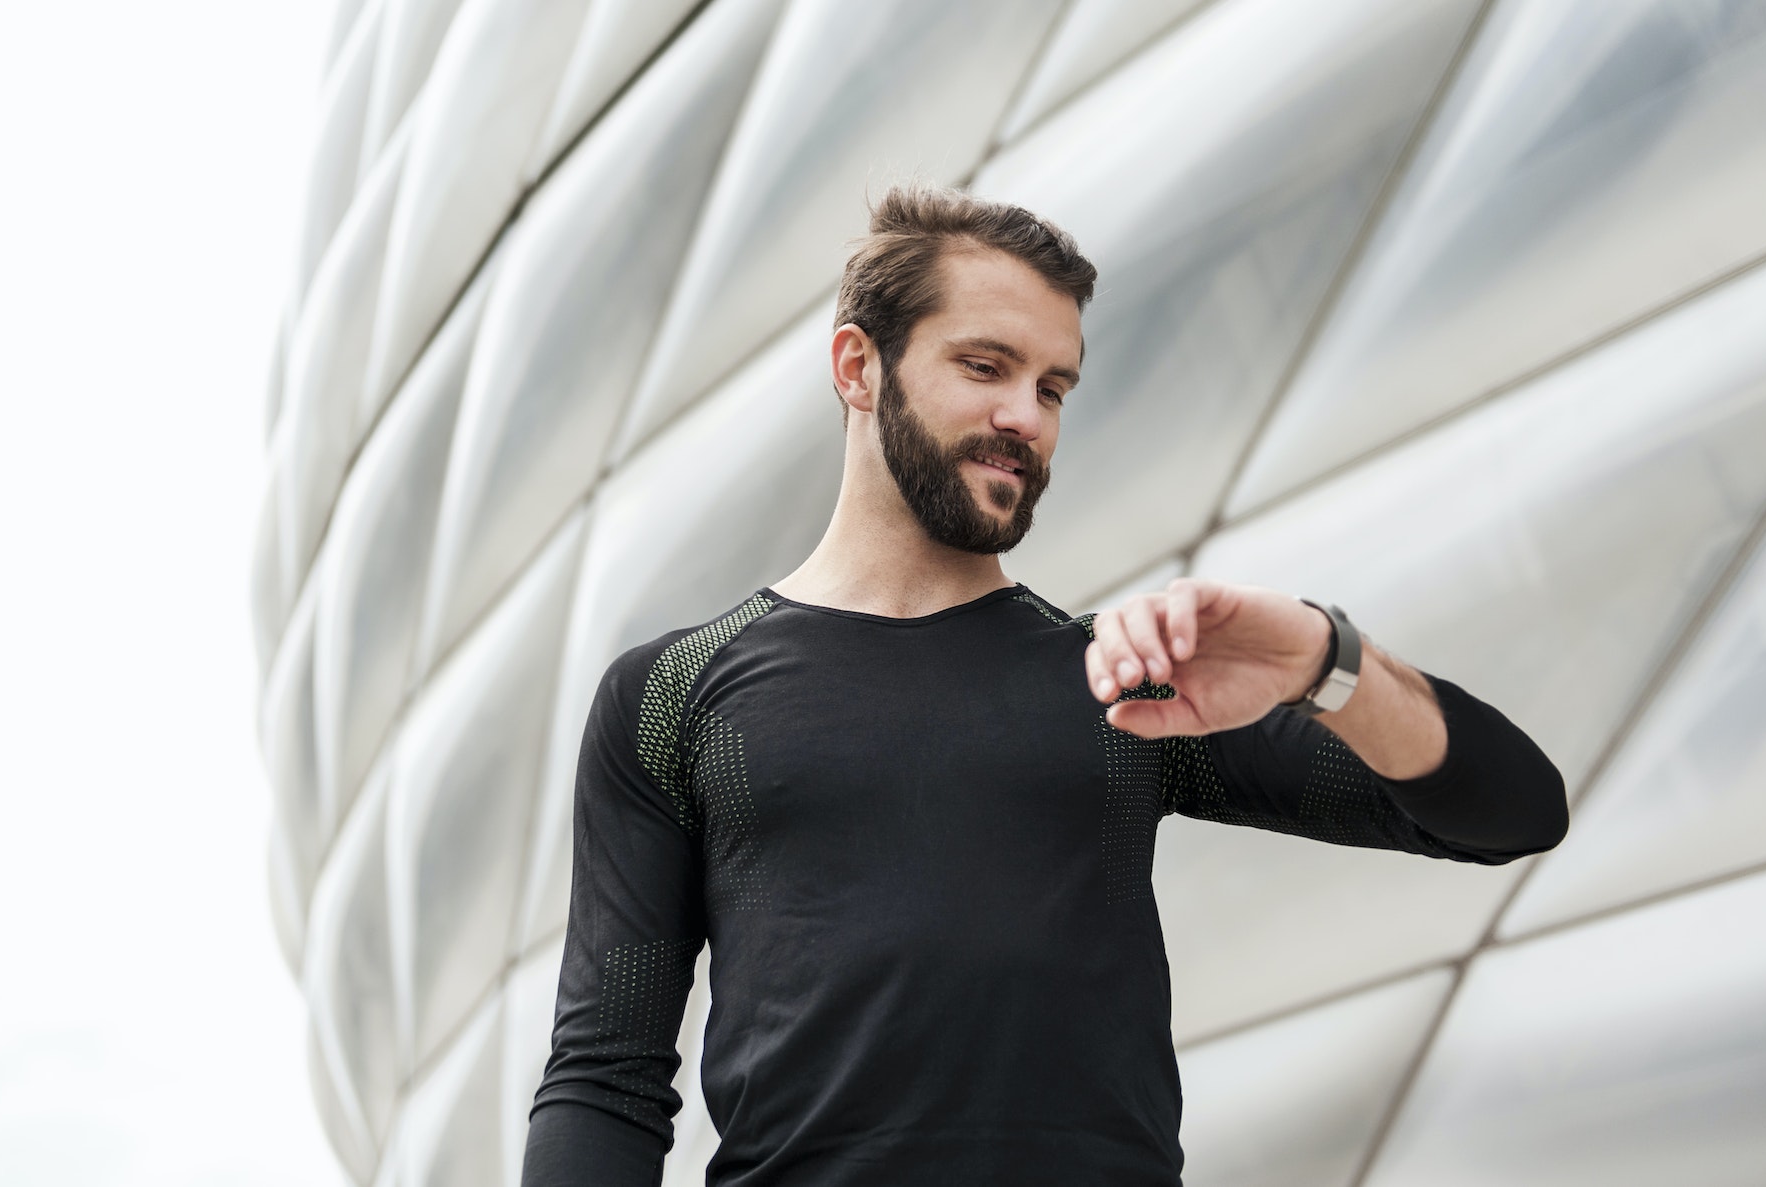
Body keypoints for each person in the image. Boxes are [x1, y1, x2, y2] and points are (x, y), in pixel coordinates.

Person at [521, 185, 1568, 1186]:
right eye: (984, 365)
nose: (1025, 414)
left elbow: (1509, 809)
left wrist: (1318, 658)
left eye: (1052, 386)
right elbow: (605, 1074)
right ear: (857, 365)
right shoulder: (668, 695)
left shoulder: (1127, 683)